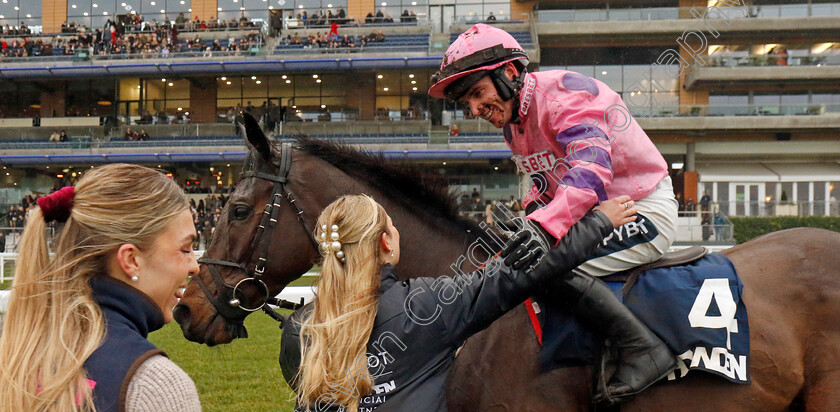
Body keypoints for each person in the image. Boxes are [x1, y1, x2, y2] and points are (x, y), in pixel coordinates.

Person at [428, 23, 679, 403]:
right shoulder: (514, 124)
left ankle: (643, 348)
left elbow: (590, 170)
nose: (475, 109)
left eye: (478, 94)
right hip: (595, 216)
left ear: (509, 73)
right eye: (467, 103)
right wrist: (530, 217)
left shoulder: (564, 95)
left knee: (543, 270)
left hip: (639, 208)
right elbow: (545, 183)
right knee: (517, 260)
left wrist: (543, 228)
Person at [283, 194, 636, 411]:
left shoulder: (298, 331)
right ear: (386, 243)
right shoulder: (426, 307)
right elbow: (529, 271)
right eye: (392, 226)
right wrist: (600, 222)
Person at [0, 164, 201, 411]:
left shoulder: (16, 352)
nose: (195, 267)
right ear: (131, 260)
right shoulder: (155, 385)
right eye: (185, 249)